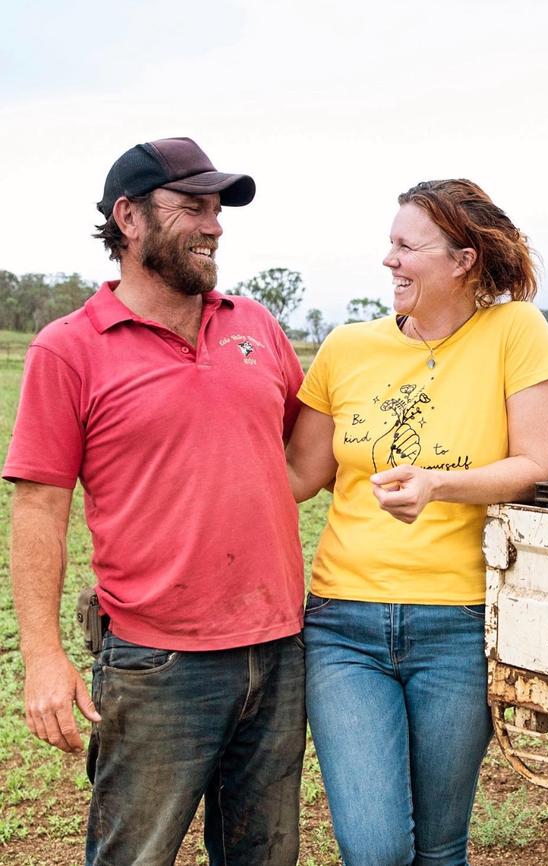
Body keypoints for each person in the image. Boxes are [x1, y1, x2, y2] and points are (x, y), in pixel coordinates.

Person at [4, 137, 306, 866]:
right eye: (194, 208)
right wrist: (42, 655)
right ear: (129, 218)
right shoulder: (67, 348)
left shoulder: (254, 326)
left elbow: (297, 450)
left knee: (265, 855)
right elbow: (39, 507)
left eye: (219, 210)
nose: (215, 225)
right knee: (132, 856)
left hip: (278, 650)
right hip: (156, 663)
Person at [286, 179, 548, 866]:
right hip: (343, 626)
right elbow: (296, 475)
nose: (389, 260)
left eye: (406, 246)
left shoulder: (516, 331)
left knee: (441, 846)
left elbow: (534, 459)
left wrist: (440, 485)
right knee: (376, 847)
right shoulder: (347, 348)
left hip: (457, 624)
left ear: (463, 260)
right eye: (390, 244)